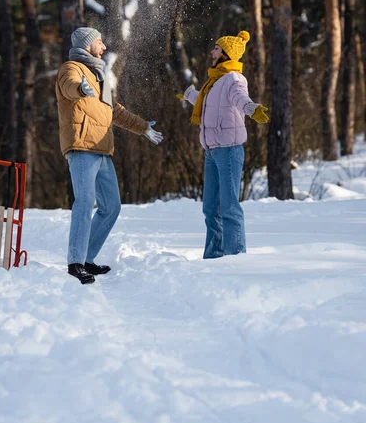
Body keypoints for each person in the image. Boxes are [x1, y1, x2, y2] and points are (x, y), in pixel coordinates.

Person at [56, 27, 163, 284]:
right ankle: (75, 262)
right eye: (100, 42)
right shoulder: (72, 69)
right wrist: (80, 89)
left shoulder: (98, 75)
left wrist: (142, 127)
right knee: (85, 202)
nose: (103, 47)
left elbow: (114, 110)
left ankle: (87, 258)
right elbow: (69, 86)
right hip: (82, 147)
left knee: (111, 207)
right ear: (87, 44)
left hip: (102, 150)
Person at [178, 30, 269, 259]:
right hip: (212, 150)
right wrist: (190, 95)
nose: (212, 52)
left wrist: (251, 109)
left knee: (229, 207)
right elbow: (209, 102)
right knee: (210, 209)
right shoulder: (215, 80)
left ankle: (235, 258)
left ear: (227, 53)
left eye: (216, 49)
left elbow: (240, 98)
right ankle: (213, 257)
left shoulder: (233, 79)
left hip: (228, 150)